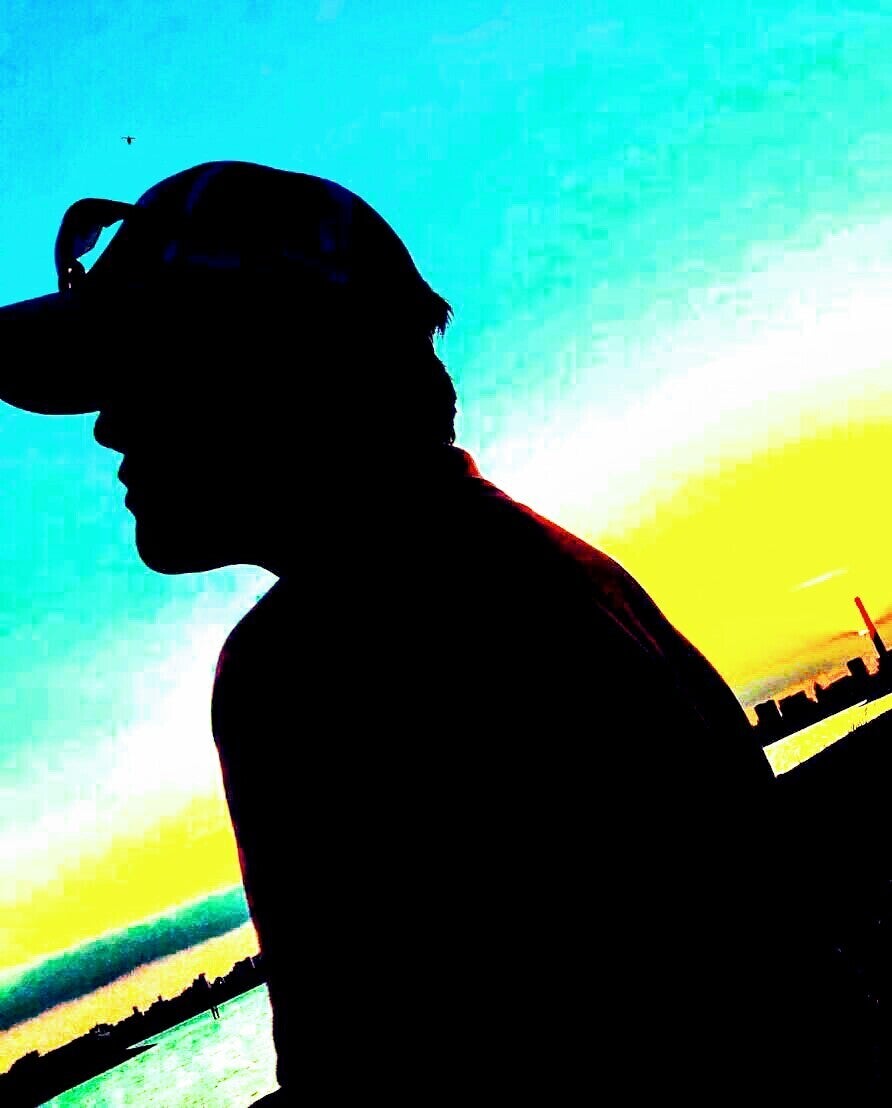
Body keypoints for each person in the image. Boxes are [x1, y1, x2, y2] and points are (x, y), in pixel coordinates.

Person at [0, 160, 877, 1100]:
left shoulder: (306, 663)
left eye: (138, 369)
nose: (106, 427)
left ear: (279, 366)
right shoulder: (561, 573)